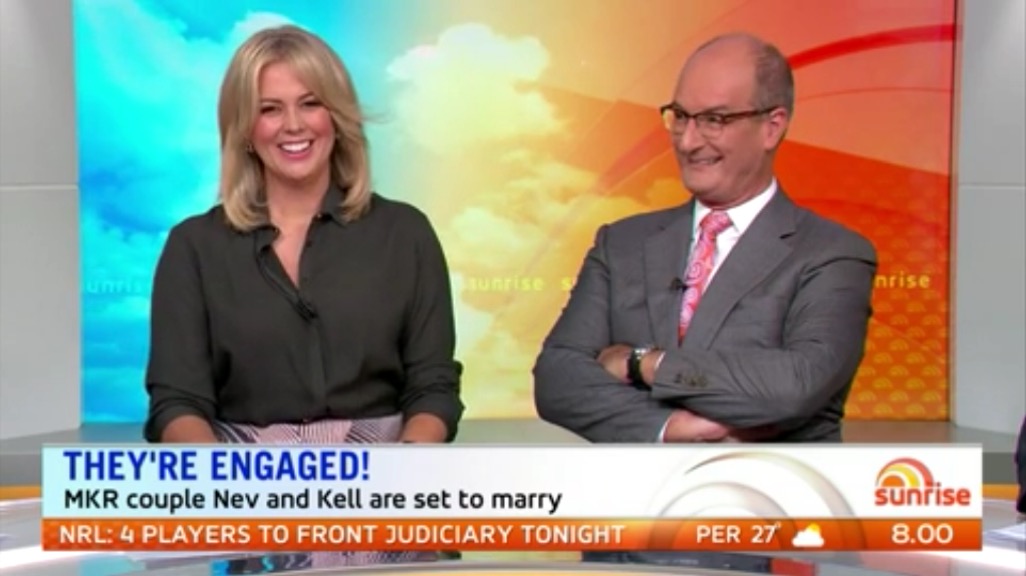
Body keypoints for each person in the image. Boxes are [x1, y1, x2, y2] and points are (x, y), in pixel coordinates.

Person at [534, 32, 877, 446]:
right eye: (680, 116)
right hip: (638, 488)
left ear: (772, 127)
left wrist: (643, 364)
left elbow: (794, 386)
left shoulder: (831, 253)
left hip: (771, 485)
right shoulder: (621, 244)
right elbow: (557, 379)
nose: (688, 141)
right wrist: (669, 427)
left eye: (714, 120)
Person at [144, 24, 463, 449]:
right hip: (237, 472)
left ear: (337, 116)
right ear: (244, 128)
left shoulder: (405, 233)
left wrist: (403, 473)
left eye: (310, 103)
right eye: (269, 109)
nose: (293, 125)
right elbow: (177, 401)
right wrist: (220, 478)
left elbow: (433, 387)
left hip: (389, 465)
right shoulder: (194, 247)